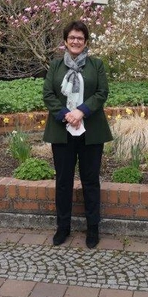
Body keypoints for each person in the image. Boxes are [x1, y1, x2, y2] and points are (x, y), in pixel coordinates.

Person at [43, 20, 113, 249]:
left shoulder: (96, 65)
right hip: (62, 131)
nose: (76, 41)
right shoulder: (55, 66)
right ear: (65, 41)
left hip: (91, 131)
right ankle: (63, 228)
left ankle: (93, 229)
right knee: (63, 182)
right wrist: (67, 114)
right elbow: (48, 94)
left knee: (90, 181)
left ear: (85, 42)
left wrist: (81, 112)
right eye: (72, 37)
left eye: (80, 38)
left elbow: (102, 93)